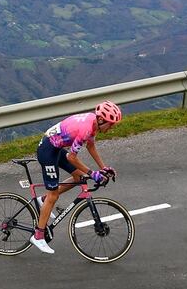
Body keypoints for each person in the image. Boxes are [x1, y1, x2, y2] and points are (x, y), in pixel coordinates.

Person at [29, 100, 122, 254]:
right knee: (54, 195)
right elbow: (72, 158)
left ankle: (42, 201)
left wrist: (103, 168)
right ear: (101, 119)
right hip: (47, 151)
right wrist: (93, 173)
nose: (111, 128)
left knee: (80, 178)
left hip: (56, 148)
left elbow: (91, 146)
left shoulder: (93, 124)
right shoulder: (86, 128)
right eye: (110, 124)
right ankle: (38, 236)